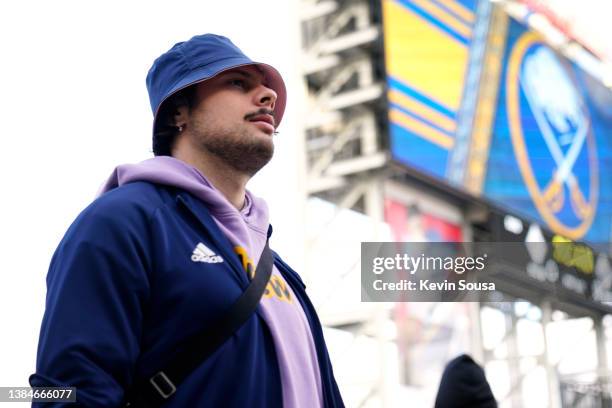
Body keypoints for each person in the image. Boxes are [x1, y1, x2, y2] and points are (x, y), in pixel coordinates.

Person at [30, 33, 344, 408]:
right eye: (237, 83)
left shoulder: (281, 273)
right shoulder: (123, 222)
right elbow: (68, 393)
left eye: (266, 89)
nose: (268, 97)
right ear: (178, 111)